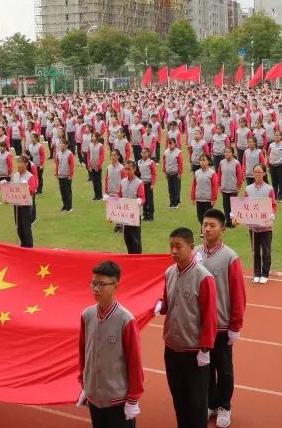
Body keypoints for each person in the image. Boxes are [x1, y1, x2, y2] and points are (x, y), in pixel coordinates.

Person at [154, 227, 216, 428]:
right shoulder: (169, 273)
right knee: (179, 401)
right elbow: (167, 301)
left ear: (191, 247)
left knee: (196, 404)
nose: (173, 251)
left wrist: (205, 349)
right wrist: (160, 305)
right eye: (171, 246)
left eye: (178, 247)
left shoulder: (204, 277)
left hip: (194, 353)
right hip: (172, 349)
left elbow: (209, 316)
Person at [77, 261, 144, 428]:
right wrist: (85, 384)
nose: (96, 289)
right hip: (95, 398)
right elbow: (84, 352)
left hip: (118, 401)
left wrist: (133, 399)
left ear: (116, 286)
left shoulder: (125, 320)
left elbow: (134, 361)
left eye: (102, 284)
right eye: (93, 283)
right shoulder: (87, 315)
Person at [195, 209, 245, 427]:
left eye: (212, 225)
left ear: (222, 229)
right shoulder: (195, 253)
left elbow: (237, 292)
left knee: (223, 368)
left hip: (222, 324)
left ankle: (224, 405)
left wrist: (235, 325)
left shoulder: (230, 257)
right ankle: (210, 403)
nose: (207, 228)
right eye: (205, 224)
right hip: (199, 325)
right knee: (204, 368)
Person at [239, 164, 276, 283]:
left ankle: (265, 273)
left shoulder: (269, 189)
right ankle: (256, 273)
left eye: (259, 172)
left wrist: (272, 214)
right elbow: (244, 204)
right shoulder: (248, 189)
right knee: (255, 251)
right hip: (253, 226)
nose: (257, 174)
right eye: (255, 172)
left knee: (266, 251)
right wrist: (237, 214)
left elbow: (273, 205)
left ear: (264, 173)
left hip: (265, 226)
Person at [11, 155, 38, 248]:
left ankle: (29, 246)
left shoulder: (30, 176)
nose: (19, 165)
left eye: (21, 163)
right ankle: (23, 244)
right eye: (18, 163)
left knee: (26, 228)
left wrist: (27, 186)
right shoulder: (15, 175)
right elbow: (12, 188)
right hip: (17, 205)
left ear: (26, 164)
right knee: (19, 227)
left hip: (26, 205)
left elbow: (33, 190)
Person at [191, 154, 219, 226]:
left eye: (204, 160)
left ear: (208, 161)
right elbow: (194, 185)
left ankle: (205, 232)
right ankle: (203, 230)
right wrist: (193, 197)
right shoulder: (197, 172)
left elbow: (215, 186)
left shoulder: (212, 173)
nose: (202, 162)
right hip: (199, 198)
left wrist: (213, 198)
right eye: (200, 160)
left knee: (207, 216)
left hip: (208, 199)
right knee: (200, 216)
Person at [218, 148, 244, 224]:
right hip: (224, 187)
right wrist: (219, 185)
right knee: (226, 206)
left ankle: (234, 221)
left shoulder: (236, 163)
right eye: (225, 152)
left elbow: (239, 176)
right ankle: (227, 220)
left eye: (229, 152)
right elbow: (219, 174)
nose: (227, 153)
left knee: (233, 206)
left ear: (232, 153)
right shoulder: (222, 162)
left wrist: (238, 187)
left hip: (233, 188)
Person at [163, 137, 184, 210]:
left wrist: (180, 172)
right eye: (169, 143)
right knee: (170, 188)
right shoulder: (166, 152)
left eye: (171, 143)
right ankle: (171, 202)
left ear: (175, 144)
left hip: (176, 174)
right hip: (169, 173)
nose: (170, 145)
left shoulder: (178, 152)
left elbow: (180, 163)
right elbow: (164, 162)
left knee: (176, 189)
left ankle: (176, 202)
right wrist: (165, 171)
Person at [136, 147, 157, 221]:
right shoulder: (139, 162)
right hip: (141, 184)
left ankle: (151, 215)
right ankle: (145, 215)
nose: (143, 154)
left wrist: (152, 184)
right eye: (142, 153)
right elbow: (137, 174)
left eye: (145, 153)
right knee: (143, 200)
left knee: (149, 200)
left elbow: (154, 174)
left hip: (148, 183)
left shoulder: (151, 162)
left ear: (148, 153)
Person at [57, 140, 77, 212]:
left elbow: (72, 165)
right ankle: (64, 205)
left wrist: (70, 174)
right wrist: (57, 173)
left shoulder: (69, 154)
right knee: (62, 191)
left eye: (62, 144)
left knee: (67, 191)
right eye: (60, 143)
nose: (61, 145)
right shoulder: (58, 153)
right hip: (60, 175)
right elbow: (57, 163)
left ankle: (69, 206)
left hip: (67, 175)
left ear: (66, 145)